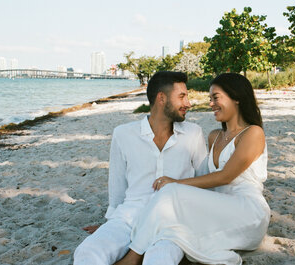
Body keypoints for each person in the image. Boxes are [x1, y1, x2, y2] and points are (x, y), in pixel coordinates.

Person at [116, 73, 270, 265]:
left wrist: (176, 184)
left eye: (216, 98)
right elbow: (203, 176)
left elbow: (225, 176)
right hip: (219, 208)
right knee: (171, 228)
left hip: (247, 212)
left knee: (171, 192)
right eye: (210, 99)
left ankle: (132, 257)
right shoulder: (215, 136)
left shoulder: (253, 133)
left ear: (236, 98)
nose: (211, 104)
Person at [73, 71, 208, 265]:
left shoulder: (193, 134)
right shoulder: (123, 134)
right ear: (161, 98)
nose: (188, 103)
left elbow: (204, 180)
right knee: (88, 251)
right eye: (182, 96)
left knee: (160, 260)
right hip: (130, 216)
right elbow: (117, 185)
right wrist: (110, 224)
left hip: (172, 222)